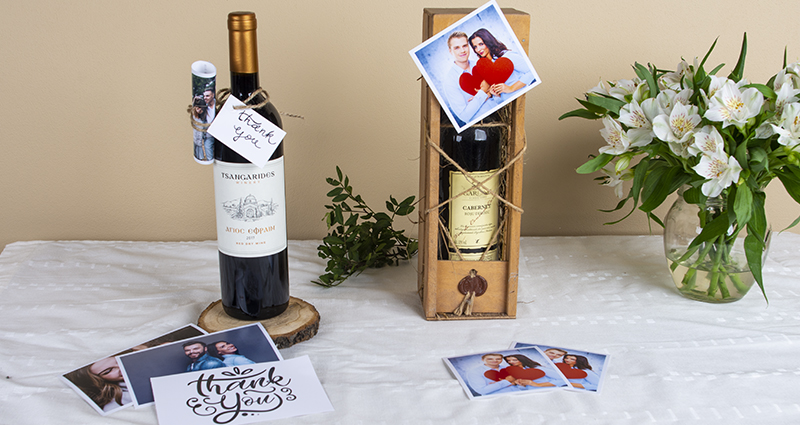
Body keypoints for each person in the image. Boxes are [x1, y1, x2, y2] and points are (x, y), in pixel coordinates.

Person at [441, 31, 498, 126]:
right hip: (477, 127)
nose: (462, 51)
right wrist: (484, 91)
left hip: (498, 118)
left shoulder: (481, 64)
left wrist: (486, 95)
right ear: (450, 51)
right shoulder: (449, 81)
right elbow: (464, 116)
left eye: (464, 46)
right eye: (457, 48)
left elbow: (499, 90)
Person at [468, 28, 535, 102]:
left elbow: (532, 72)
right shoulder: (485, 69)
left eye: (481, 44)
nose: (478, 49)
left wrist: (511, 88)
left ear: (488, 42)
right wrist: (495, 95)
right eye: (475, 47)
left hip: (522, 98)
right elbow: (499, 99)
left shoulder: (507, 56)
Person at [64, 357, 131, 412]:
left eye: (119, 360)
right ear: (99, 380)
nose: (121, 367)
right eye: (108, 371)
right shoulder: (115, 405)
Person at [191, 95, 212, 162]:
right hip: (194, 142)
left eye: (202, 108)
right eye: (198, 108)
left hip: (200, 143)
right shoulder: (193, 118)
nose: (200, 110)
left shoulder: (203, 120)